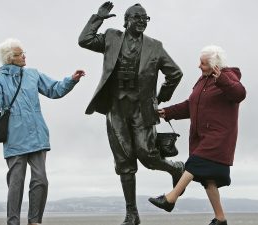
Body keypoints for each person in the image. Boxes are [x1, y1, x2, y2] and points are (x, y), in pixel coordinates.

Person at [78, 2, 184, 225]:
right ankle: (132, 214)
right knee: (124, 161)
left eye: (145, 19)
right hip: (115, 108)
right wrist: (98, 17)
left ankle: (175, 168)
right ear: (126, 20)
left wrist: (161, 97)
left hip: (141, 109)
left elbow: (175, 73)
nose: (142, 22)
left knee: (147, 154)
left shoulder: (155, 46)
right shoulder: (111, 38)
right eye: (137, 18)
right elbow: (84, 40)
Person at [0, 38, 85, 225]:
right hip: (14, 137)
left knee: (41, 180)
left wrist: (71, 80)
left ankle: (34, 221)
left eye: (24, 52)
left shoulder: (33, 74)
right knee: (16, 184)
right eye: (19, 53)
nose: (24, 56)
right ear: (10, 58)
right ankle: (13, 222)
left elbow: (54, 90)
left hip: (37, 135)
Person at [148, 45, 246, 225]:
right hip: (202, 136)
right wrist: (167, 112)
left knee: (194, 164)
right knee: (208, 179)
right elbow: (190, 105)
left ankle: (170, 199)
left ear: (215, 64)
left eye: (203, 63)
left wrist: (221, 79)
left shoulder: (228, 76)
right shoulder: (202, 81)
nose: (198, 66)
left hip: (219, 136)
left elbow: (239, 93)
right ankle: (220, 218)